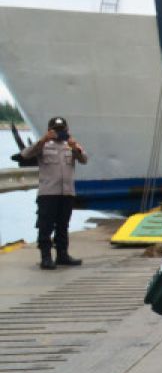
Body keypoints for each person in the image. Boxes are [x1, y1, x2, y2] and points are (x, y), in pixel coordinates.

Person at [22, 116, 88, 270]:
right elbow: (25, 154)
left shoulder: (70, 146)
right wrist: (43, 140)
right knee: (46, 226)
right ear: (49, 131)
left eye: (62, 130)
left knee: (63, 225)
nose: (59, 133)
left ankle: (62, 255)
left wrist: (75, 147)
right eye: (56, 130)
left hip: (67, 193)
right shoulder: (43, 146)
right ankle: (46, 257)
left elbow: (84, 159)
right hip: (48, 193)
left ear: (67, 130)